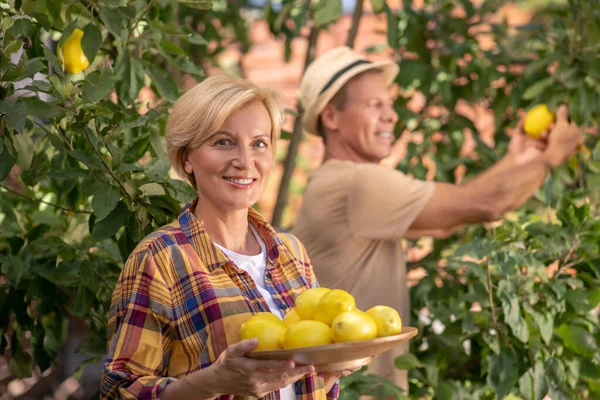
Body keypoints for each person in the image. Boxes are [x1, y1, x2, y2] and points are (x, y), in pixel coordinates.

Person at [291, 46, 583, 393]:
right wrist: (550, 157)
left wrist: (515, 158)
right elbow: (486, 202)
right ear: (332, 118)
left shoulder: (337, 181)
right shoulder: (356, 182)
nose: (391, 116)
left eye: (389, 104)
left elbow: (449, 217)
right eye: (374, 105)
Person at [101, 75, 354, 400]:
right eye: (223, 142)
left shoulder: (291, 252)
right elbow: (118, 392)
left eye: (259, 143)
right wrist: (212, 383)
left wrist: (332, 370)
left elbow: (309, 384)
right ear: (187, 157)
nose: (245, 161)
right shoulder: (159, 259)